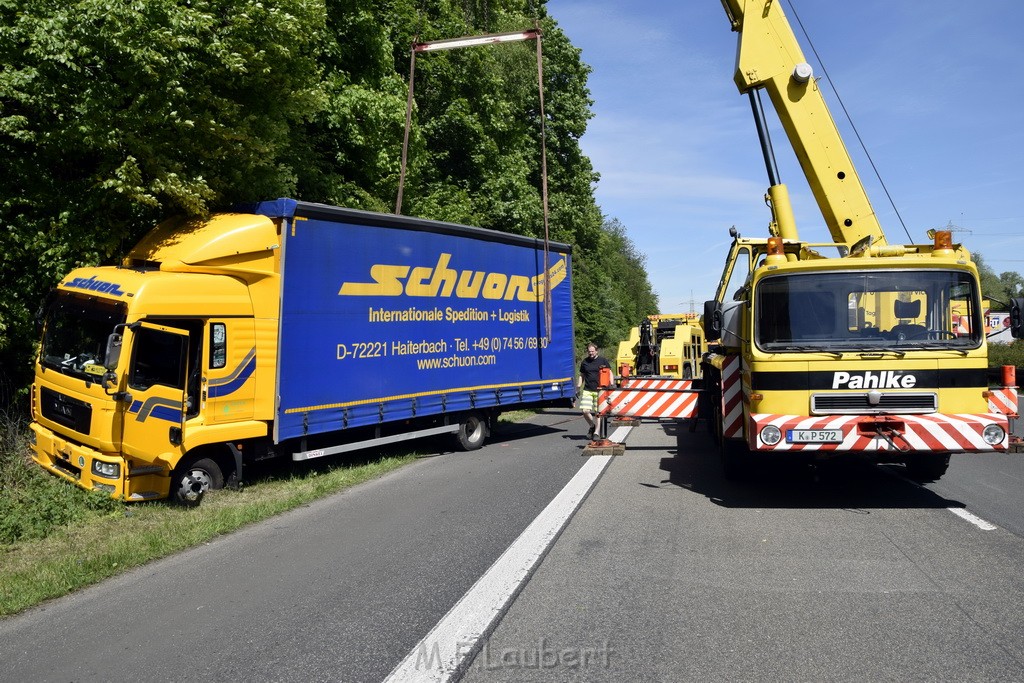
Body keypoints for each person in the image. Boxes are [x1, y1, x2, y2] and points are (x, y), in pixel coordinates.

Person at [577, 343, 611, 439]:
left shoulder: (603, 360)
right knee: (585, 410)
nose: (591, 353)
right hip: (587, 389)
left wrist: (611, 385)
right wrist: (578, 386)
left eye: (592, 351)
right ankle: (593, 426)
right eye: (589, 351)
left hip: (599, 390)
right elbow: (582, 375)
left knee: (598, 413)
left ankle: (596, 432)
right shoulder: (585, 362)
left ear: (596, 351)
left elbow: (609, 373)